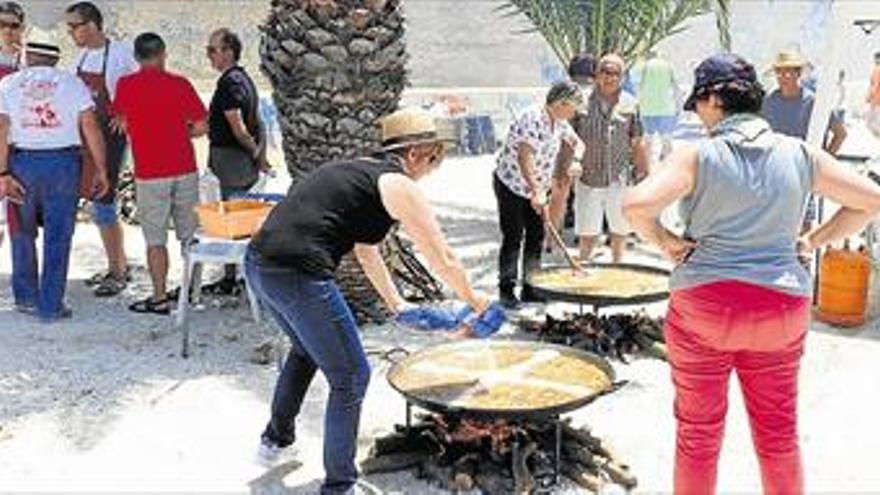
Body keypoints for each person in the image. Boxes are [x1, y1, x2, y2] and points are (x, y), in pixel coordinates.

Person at [622, 53, 880, 495]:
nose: (697, 115)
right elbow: (871, 201)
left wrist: (666, 242)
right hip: (779, 308)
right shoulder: (800, 153)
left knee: (698, 437)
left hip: (704, 306)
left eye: (698, 104)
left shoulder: (698, 156)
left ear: (713, 99)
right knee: (778, 435)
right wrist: (812, 240)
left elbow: (635, 205)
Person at [245, 107, 497, 493]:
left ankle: (274, 440)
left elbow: (367, 250)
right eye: (432, 159)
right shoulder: (400, 184)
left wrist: (396, 303)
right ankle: (340, 484)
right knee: (351, 376)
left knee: (304, 350)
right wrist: (476, 300)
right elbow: (441, 255)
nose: (431, 170)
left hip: (260, 264)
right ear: (415, 153)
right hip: (299, 272)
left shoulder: (360, 174)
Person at [0, 30, 108, 321]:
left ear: (28, 56)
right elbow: (91, 128)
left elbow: (1, 130)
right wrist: (100, 169)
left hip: (22, 162)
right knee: (58, 234)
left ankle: (25, 297)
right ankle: (50, 305)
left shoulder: (8, 84)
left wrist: (2, 172)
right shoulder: (73, 84)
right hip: (63, 163)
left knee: (21, 231)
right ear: (56, 58)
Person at [113, 32, 208, 315]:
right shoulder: (180, 84)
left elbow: (119, 120)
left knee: (155, 240)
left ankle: (159, 297)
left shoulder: (126, 85)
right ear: (163, 54)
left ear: (137, 57)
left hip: (149, 172)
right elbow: (202, 126)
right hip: (184, 168)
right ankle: (191, 293)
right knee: (189, 236)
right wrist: (181, 133)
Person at [65, 1, 138, 297]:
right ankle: (116, 263)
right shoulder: (79, 58)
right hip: (83, 138)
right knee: (97, 205)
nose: (70, 32)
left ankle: (118, 273)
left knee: (105, 202)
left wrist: (126, 111)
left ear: (92, 25)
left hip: (110, 137)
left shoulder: (121, 53)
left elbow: (142, 84)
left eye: (74, 26)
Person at [493, 81, 581, 308]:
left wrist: (575, 161)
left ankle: (531, 287)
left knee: (536, 236)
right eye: (573, 107)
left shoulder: (559, 122)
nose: (575, 112)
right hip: (512, 185)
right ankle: (506, 289)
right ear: (561, 103)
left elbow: (576, 143)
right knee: (513, 237)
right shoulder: (531, 118)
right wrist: (535, 191)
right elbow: (525, 157)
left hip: (539, 188)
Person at [205, 27, 268, 296]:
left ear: (228, 52)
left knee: (231, 221)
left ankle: (233, 281)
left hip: (232, 162)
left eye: (212, 50)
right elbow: (259, 122)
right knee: (236, 219)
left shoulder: (230, 83)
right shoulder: (243, 79)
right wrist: (259, 156)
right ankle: (234, 278)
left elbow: (239, 126)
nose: (208, 56)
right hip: (237, 161)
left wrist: (256, 155)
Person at [570, 54, 648, 263]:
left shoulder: (631, 104)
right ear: (596, 74)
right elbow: (569, 138)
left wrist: (643, 174)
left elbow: (637, 141)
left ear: (622, 77)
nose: (609, 77)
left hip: (619, 178)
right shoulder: (581, 103)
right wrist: (567, 168)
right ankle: (584, 268)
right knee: (587, 231)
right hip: (588, 177)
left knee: (620, 230)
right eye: (605, 71)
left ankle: (617, 267)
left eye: (615, 73)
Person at [763, 50, 847, 234]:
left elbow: (840, 134)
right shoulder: (768, 102)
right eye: (779, 72)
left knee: (803, 226)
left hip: (804, 172)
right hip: (774, 174)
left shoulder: (813, 103)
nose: (783, 77)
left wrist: (824, 162)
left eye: (788, 72)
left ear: (798, 73)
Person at [636, 50, 678, 162]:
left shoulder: (644, 66)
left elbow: (639, 85)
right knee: (666, 139)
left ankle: (648, 163)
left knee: (648, 138)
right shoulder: (668, 66)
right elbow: (675, 86)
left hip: (647, 107)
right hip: (666, 107)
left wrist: (638, 104)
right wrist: (678, 104)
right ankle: (666, 162)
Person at [0, 2, 24, 79]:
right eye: (2, 24)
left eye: (14, 26)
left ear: (22, 28)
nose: (7, 30)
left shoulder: (31, 58)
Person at [867, 51, 880, 139]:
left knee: (870, 124)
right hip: (877, 101)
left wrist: (869, 97)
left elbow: (874, 85)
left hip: (876, 101)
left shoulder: (877, 69)